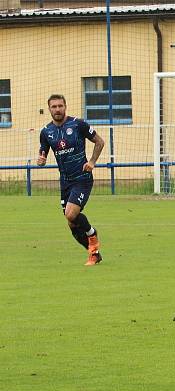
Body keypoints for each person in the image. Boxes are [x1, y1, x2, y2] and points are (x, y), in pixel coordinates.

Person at [37, 94, 106, 266]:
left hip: (82, 178)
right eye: (54, 107)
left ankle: (92, 235)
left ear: (65, 106)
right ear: (49, 109)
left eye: (60, 106)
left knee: (71, 213)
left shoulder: (78, 124)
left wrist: (92, 162)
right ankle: (94, 253)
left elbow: (99, 142)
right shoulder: (46, 132)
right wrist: (41, 160)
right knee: (71, 223)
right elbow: (43, 152)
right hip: (65, 181)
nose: (57, 109)